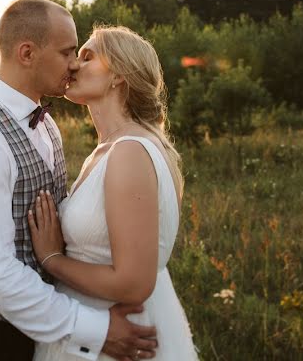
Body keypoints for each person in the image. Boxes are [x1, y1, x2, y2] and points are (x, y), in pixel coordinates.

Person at [0, 0, 159, 361]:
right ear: (27, 53)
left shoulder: (48, 124)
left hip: (40, 332)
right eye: (67, 52)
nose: (74, 64)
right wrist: (95, 329)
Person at [28, 25, 199, 361]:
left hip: (117, 338)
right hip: (94, 332)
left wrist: (53, 260)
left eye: (87, 56)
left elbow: (134, 284)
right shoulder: (108, 150)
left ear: (119, 75)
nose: (74, 65)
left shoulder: (130, 152)